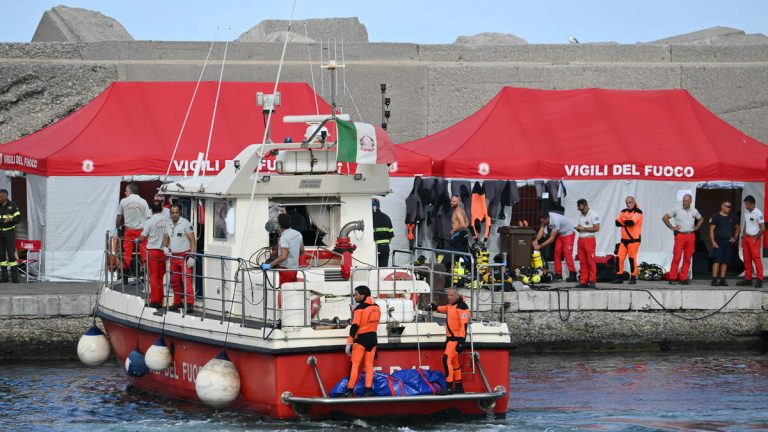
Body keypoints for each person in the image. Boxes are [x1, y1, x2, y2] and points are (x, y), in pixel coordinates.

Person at [430, 288, 469, 395]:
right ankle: (459, 387)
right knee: (454, 363)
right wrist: (434, 307)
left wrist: (461, 341)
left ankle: (449, 386)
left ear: (457, 295)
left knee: (446, 360)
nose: (448, 297)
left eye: (451, 295)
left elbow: (464, 325)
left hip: (456, 339)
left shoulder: (462, 307)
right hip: (450, 339)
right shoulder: (451, 306)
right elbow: (444, 308)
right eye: (448, 295)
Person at [343, 285, 381, 397]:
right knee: (369, 366)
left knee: (355, 365)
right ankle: (368, 391)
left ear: (363, 295)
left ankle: (350, 390)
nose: (354, 297)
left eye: (356, 294)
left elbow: (354, 327)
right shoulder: (377, 307)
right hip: (373, 339)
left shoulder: (359, 309)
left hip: (360, 340)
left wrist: (349, 343)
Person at [662, 194, 703, 285]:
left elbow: (701, 219)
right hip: (680, 236)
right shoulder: (677, 209)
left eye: (687, 201)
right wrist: (672, 227)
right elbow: (665, 218)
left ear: (690, 202)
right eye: (684, 200)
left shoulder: (694, 211)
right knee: (677, 256)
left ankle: (683, 278)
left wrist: (696, 227)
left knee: (688, 257)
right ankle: (673, 277)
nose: (685, 202)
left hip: (690, 235)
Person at [162, 204, 196, 312]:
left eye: (176, 212)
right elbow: (166, 237)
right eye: (172, 212)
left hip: (184, 256)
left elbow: (192, 240)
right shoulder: (168, 223)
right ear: (170, 213)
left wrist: (191, 256)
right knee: (175, 281)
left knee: (186, 280)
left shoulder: (185, 223)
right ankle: (177, 302)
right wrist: (165, 247)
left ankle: (190, 304)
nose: (174, 214)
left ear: (179, 212)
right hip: (173, 256)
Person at [116, 183, 150, 281]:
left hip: (129, 231)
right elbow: (148, 217)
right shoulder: (143, 201)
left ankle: (125, 276)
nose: (125, 192)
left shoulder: (123, 201)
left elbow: (119, 216)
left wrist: (117, 225)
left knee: (127, 253)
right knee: (144, 253)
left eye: (126, 191)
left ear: (130, 191)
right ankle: (145, 274)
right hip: (141, 232)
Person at [139, 200, 169, 308]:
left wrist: (137, 240)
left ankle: (155, 300)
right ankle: (160, 300)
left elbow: (142, 237)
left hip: (153, 251)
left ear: (151, 210)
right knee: (160, 277)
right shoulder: (167, 220)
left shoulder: (150, 221)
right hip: (164, 251)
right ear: (161, 208)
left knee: (153, 277)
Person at [533, 211, 577, 283]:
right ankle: (558, 274)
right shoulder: (544, 219)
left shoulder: (555, 221)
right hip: (560, 234)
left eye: (543, 222)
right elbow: (541, 230)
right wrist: (536, 240)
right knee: (557, 252)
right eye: (541, 222)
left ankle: (573, 273)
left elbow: (552, 239)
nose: (543, 223)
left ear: (547, 219)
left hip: (569, 233)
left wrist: (540, 245)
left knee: (567, 253)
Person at [262, 213, 304, 286]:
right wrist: (293, 256)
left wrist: (268, 265)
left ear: (279, 224)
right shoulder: (298, 234)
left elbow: (283, 256)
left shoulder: (284, 238)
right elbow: (302, 251)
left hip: (285, 270)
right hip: (294, 270)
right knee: (292, 292)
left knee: (285, 293)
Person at [612, 196, 643, 284]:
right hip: (623, 241)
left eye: (630, 202)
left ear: (634, 202)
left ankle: (633, 277)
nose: (628, 204)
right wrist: (626, 220)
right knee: (619, 258)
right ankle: (619, 277)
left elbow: (631, 223)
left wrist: (623, 219)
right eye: (626, 202)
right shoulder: (623, 211)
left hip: (634, 241)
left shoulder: (638, 212)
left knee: (632, 259)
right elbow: (617, 223)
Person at [708, 201, 739, 286]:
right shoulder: (715, 217)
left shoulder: (732, 217)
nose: (729, 208)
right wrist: (713, 241)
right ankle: (714, 279)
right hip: (718, 241)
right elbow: (711, 230)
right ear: (722, 206)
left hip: (728, 241)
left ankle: (722, 279)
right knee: (717, 260)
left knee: (725, 261)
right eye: (727, 206)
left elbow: (737, 227)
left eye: (730, 206)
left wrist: (735, 237)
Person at [736, 195, 764, 288]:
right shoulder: (747, 212)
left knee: (756, 259)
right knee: (747, 259)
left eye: (747, 204)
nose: (745, 206)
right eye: (745, 204)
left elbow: (763, 228)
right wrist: (742, 237)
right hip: (746, 238)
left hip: (754, 239)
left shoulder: (758, 213)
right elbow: (746, 224)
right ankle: (748, 279)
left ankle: (760, 279)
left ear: (752, 204)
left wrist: (756, 237)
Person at [575, 199, 600, 288]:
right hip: (581, 239)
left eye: (582, 209)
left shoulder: (593, 215)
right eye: (579, 209)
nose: (581, 211)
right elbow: (581, 227)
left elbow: (597, 228)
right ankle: (583, 281)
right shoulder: (580, 215)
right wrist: (578, 228)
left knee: (591, 261)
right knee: (582, 261)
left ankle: (592, 281)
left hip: (589, 240)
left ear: (586, 206)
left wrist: (584, 229)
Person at [0, 189, 21, 283]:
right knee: (1, 256)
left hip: (9, 233)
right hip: (0, 234)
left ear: (5, 197)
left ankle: (15, 277)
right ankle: (4, 277)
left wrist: (11, 219)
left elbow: (18, 218)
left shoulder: (12, 205)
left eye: (0, 196)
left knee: (11, 255)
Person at [372, 198, 394, 267]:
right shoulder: (386, 217)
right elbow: (391, 235)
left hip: (374, 248)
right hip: (385, 248)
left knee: (373, 268)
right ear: (379, 206)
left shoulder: (369, 217)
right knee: (383, 269)